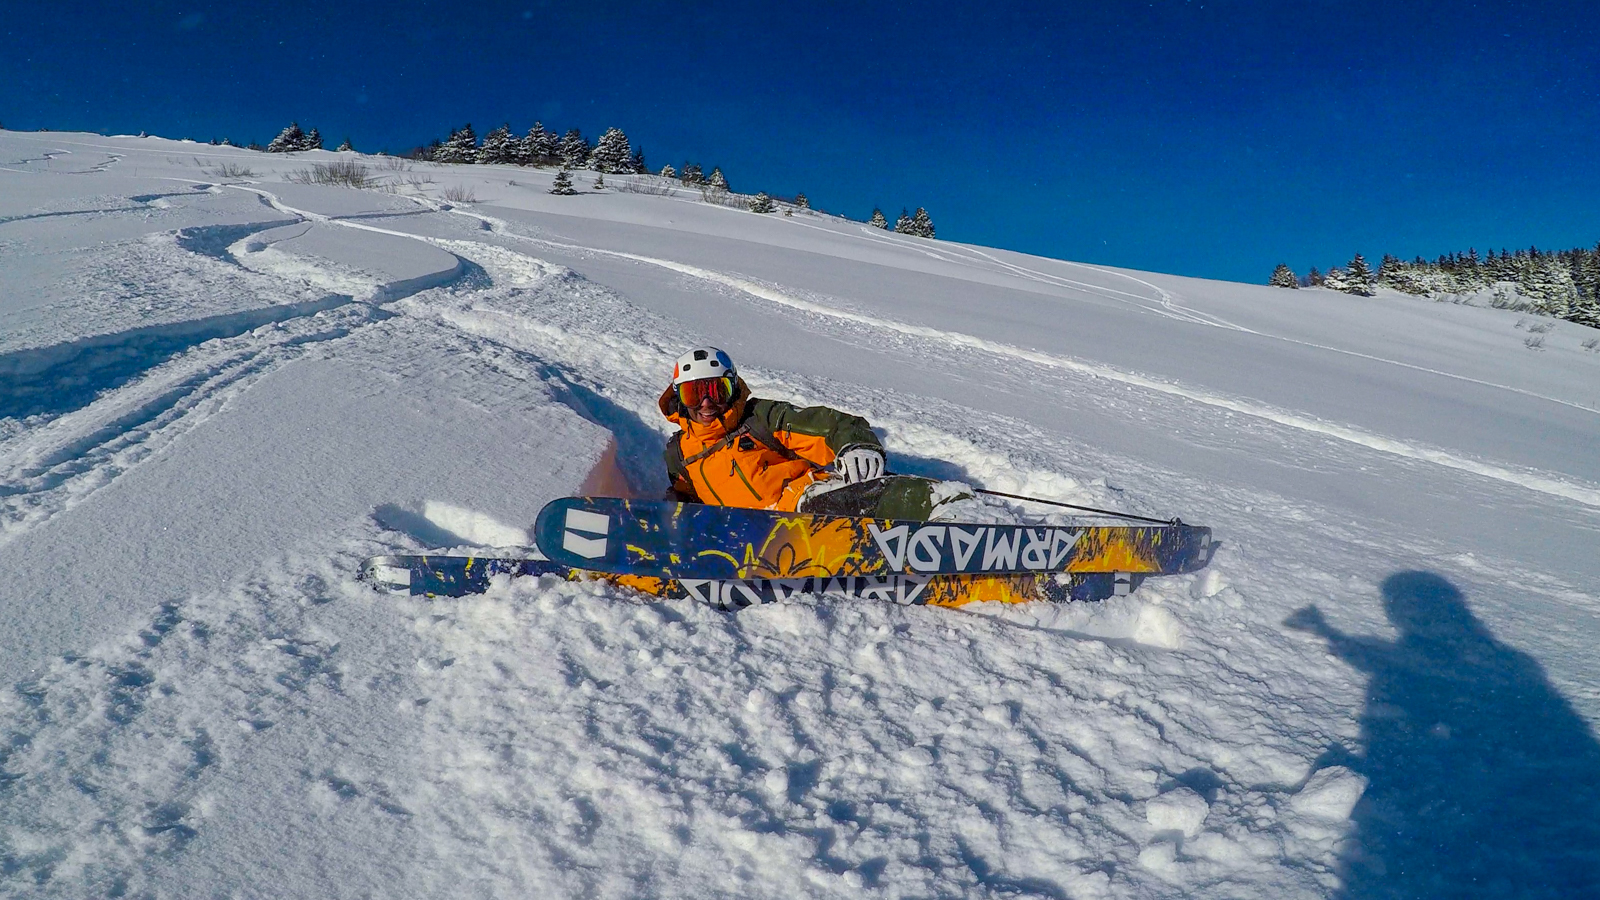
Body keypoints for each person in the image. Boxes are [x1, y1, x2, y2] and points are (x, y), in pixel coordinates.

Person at [657, 347, 958, 520]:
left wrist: (855, 444)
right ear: (679, 398)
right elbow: (688, 499)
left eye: (716, 391)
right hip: (748, 540)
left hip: (801, 505)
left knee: (853, 499)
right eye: (693, 394)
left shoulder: (759, 418)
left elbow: (827, 426)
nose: (706, 403)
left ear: (733, 389)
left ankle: (953, 509)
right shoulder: (678, 454)